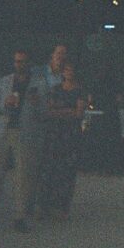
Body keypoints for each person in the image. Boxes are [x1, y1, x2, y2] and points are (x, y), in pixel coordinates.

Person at [0, 49, 49, 233]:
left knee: (22, 177)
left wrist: (36, 103)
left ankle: (20, 217)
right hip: (3, 130)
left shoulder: (39, 84)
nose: (20, 65)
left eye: (23, 62)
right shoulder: (4, 82)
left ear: (29, 63)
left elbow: (44, 113)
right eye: (17, 61)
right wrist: (4, 104)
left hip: (24, 133)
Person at [38, 60, 87, 220]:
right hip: (55, 134)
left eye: (71, 70)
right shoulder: (55, 89)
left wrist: (62, 111)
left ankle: (62, 207)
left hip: (71, 135)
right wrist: (68, 111)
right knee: (49, 170)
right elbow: (50, 111)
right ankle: (45, 205)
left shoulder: (80, 91)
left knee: (67, 172)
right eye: (66, 70)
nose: (68, 73)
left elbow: (79, 113)